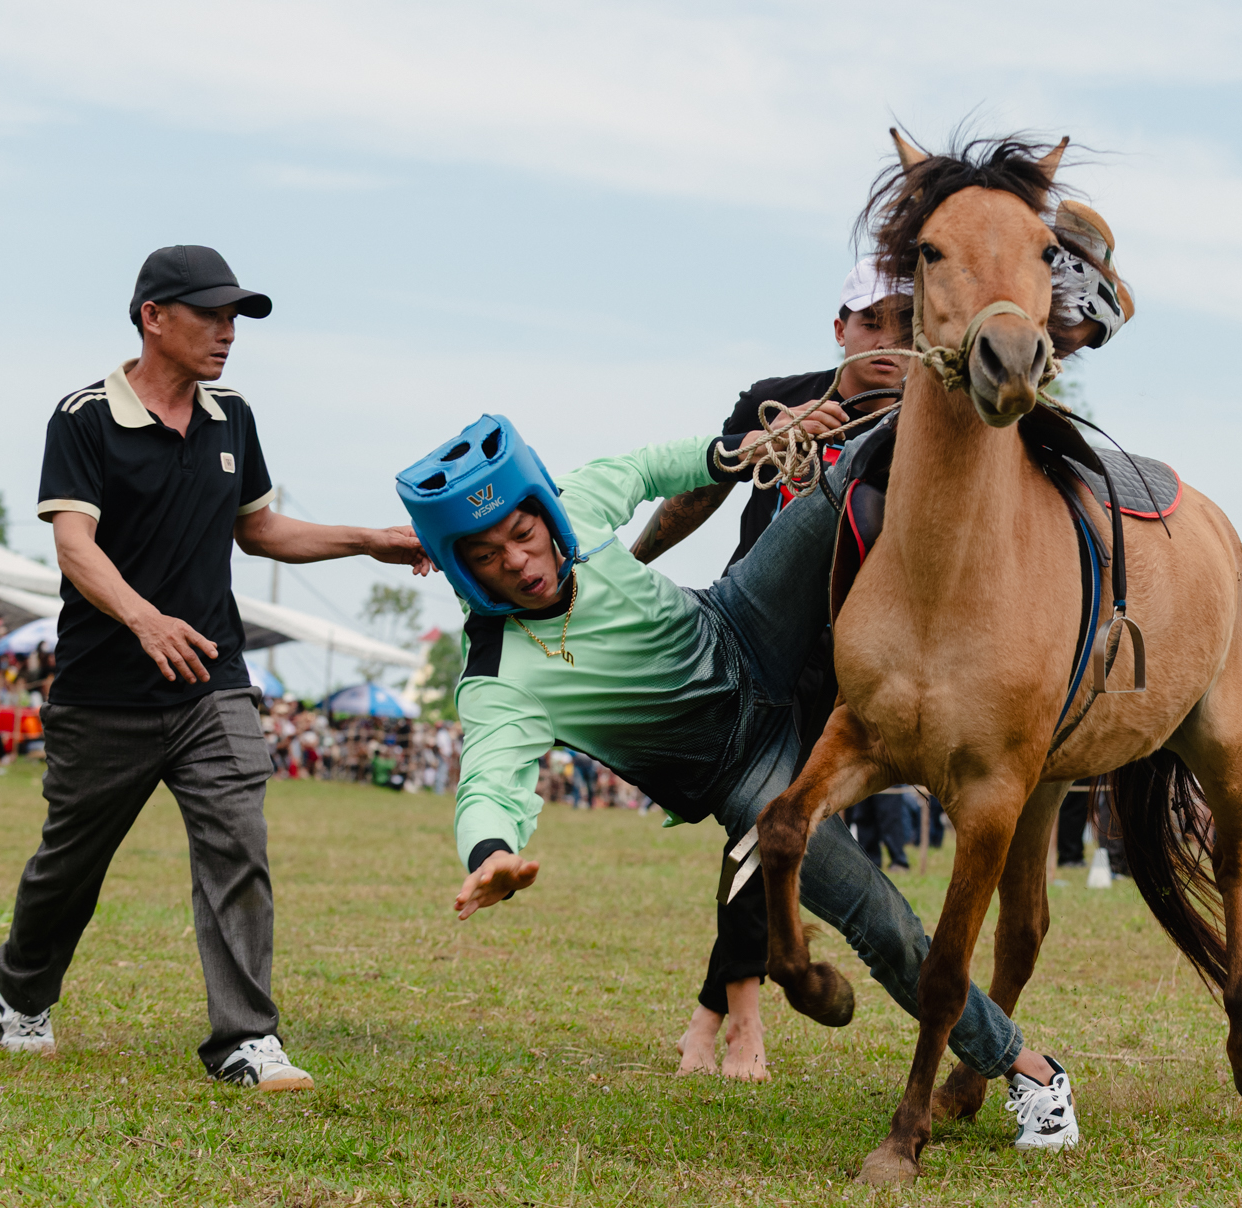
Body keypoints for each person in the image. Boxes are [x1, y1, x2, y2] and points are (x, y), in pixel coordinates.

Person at [407, 411, 1082, 1150]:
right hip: (742, 774)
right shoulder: (498, 676)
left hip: (743, 625)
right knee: (883, 923)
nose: (518, 560)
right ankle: (1032, 1070)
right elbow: (487, 783)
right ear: (462, 569)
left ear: (544, 511)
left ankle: (1063, 523)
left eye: (523, 533)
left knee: (854, 464)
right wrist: (491, 854)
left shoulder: (575, 507)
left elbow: (646, 467)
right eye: (487, 555)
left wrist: (744, 448)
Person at [0, 245, 430, 1090]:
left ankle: (246, 1038)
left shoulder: (232, 416)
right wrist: (144, 617)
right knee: (69, 867)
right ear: (153, 316)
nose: (228, 333)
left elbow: (258, 529)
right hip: (104, 693)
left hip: (212, 683)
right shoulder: (83, 418)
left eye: (236, 318)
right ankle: (23, 989)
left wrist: (368, 538)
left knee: (237, 845)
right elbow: (74, 545)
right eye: (211, 315)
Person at [627, 258, 913, 1080]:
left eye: (906, 326)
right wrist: (629, 568)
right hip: (749, 646)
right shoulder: (776, 400)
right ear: (840, 328)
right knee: (761, 826)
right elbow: (699, 492)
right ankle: (731, 1015)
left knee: (769, 827)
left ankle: (723, 1015)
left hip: (850, 660)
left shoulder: (927, 431)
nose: (887, 342)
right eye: (870, 322)